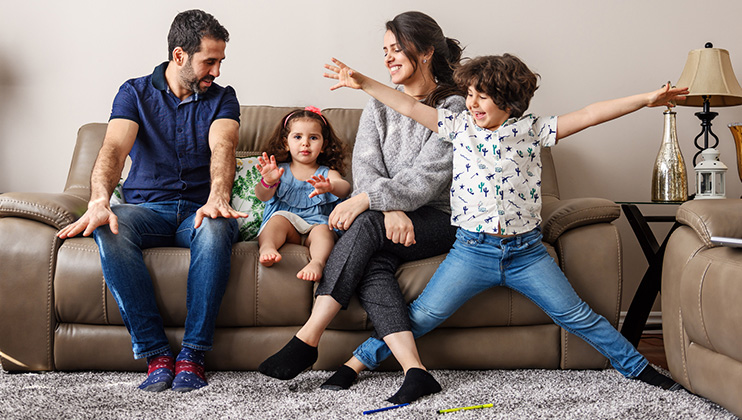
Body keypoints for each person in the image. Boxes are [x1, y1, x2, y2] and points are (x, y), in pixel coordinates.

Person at [323, 53, 689, 392]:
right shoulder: (457, 127)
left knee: (577, 315)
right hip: (471, 252)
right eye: (469, 95)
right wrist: (363, 82)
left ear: (508, 99)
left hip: (526, 253)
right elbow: (405, 104)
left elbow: (591, 113)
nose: (472, 103)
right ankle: (355, 363)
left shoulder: (534, 130)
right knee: (422, 315)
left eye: (482, 96)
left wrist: (644, 100)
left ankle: (639, 368)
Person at [257, 11, 466, 404]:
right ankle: (415, 371)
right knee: (372, 261)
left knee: (365, 226)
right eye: (384, 50)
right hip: (390, 217)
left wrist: (374, 203)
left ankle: (309, 336)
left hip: (440, 217)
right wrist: (388, 209)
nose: (387, 58)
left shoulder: (453, 107)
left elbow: (429, 177)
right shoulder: (379, 105)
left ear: (424, 52)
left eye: (395, 49)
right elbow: (366, 167)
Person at [56, 10, 244, 393]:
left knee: (217, 226)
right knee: (109, 228)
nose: (218, 71)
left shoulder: (224, 98)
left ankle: (192, 354)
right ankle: (156, 353)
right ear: (179, 56)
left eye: (221, 61)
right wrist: (99, 200)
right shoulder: (134, 92)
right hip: (147, 211)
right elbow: (113, 148)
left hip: (197, 211)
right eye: (210, 61)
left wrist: (217, 197)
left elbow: (223, 145)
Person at [255, 106, 351, 281]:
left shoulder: (326, 173)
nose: (305, 143)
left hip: (316, 224)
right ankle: (267, 248)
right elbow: (262, 196)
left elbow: (345, 188)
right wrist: (268, 182)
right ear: (286, 142)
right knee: (277, 220)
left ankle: (317, 262)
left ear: (324, 145)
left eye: (313, 138)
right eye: (297, 137)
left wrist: (330, 187)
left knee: (324, 232)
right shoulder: (279, 171)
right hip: (287, 225)